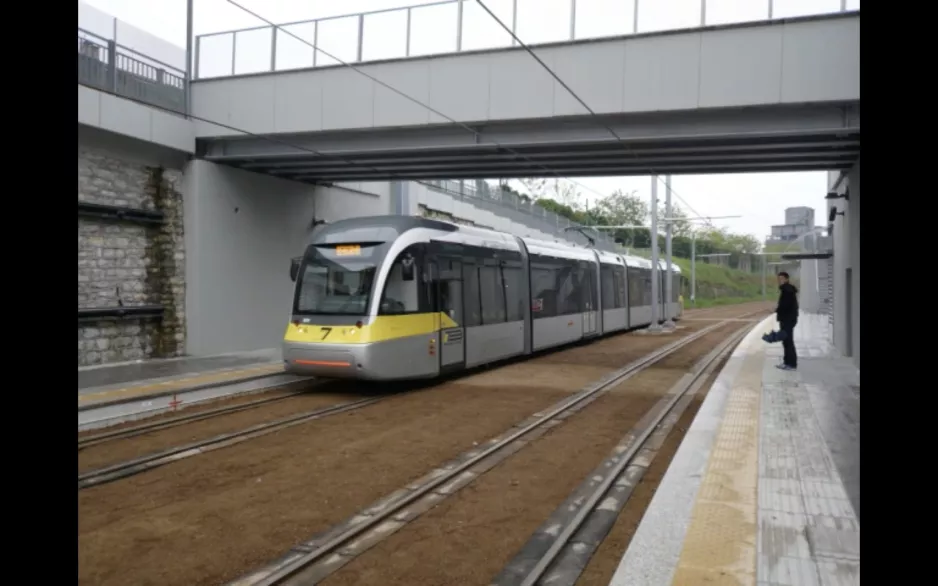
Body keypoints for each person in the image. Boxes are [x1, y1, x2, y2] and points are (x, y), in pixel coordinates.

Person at [775, 271, 799, 370]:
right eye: (779, 279)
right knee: (786, 341)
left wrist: (777, 309)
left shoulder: (787, 290)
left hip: (788, 320)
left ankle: (791, 364)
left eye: (782, 279)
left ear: (786, 279)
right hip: (787, 319)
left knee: (788, 341)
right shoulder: (786, 289)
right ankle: (787, 362)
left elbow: (786, 306)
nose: (780, 281)